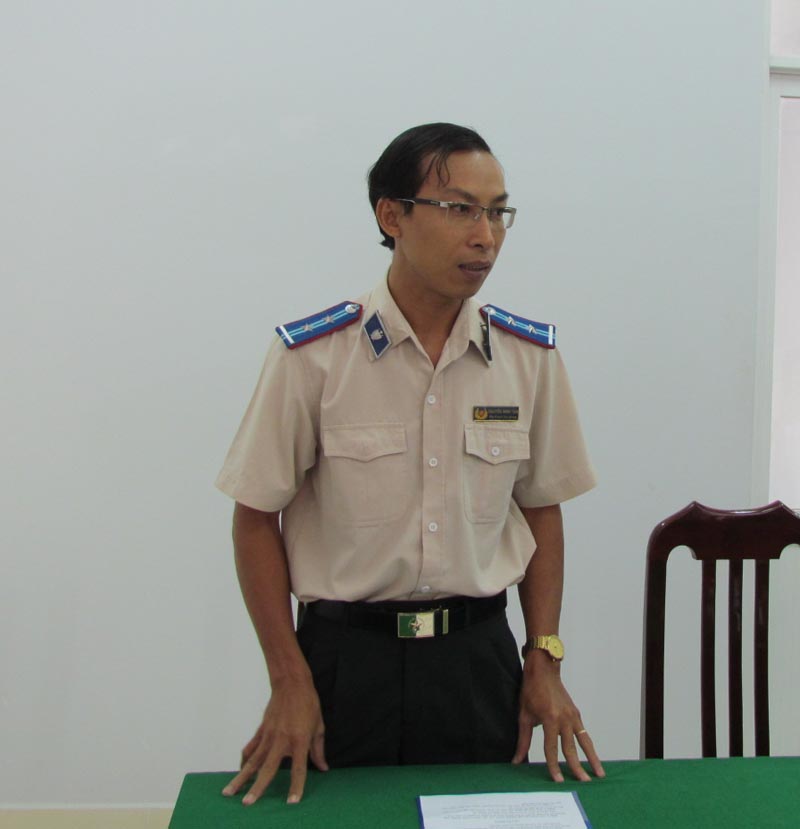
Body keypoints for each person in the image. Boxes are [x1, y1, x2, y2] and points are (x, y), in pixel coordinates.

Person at [216, 122, 605, 807]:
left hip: (477, 662)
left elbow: (542, 510)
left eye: (498, 212)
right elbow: (255, 518)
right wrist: (288, 677)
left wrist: (544, 657)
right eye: (460, 209)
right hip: (344, 665)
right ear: (391, 216)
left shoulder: (527, 359)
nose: (485, 236)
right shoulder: (314, 357)